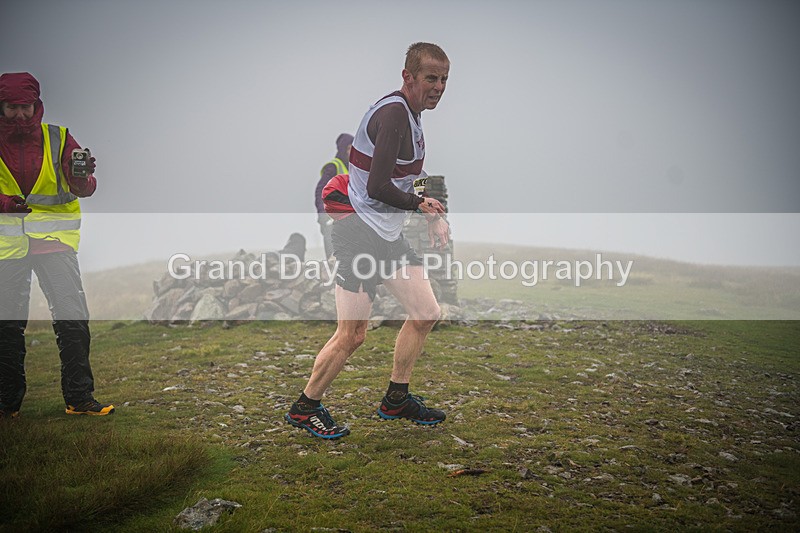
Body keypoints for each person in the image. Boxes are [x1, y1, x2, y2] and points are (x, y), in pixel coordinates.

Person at [286, 43, 450, 438]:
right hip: (358, 232)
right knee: (352, 334)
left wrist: (432, 210)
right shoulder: (394, 114)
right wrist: (419, 205)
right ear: (408, 77)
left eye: (444, 79)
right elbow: (378, 187)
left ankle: (396, 398)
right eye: (431, 78)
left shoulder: (412, 116)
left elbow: (409, 174)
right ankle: (305, 408)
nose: (439, 87)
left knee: (426, 312)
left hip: (387, 236)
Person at [0, 72, 114, 418]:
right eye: (12, 107)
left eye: (26, 106)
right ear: (1, 106)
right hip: (7, 249)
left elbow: (83, 188)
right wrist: (6, 204)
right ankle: (7, 404)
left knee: (73, 321)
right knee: (6, 327)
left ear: (37, 105)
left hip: (54, 243)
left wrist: (83, 177)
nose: (20, 114)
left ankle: (79, 399)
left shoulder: (58, 137)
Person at [314, 133, 352, 259]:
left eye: (354, 148)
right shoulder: (333, 167)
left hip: (349, 218)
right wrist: (322, 214)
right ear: (342, 150)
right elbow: (321, 190)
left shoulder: (355, 169)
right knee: (334, 257)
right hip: (332, 216)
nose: (351, 152)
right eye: (348, 148)